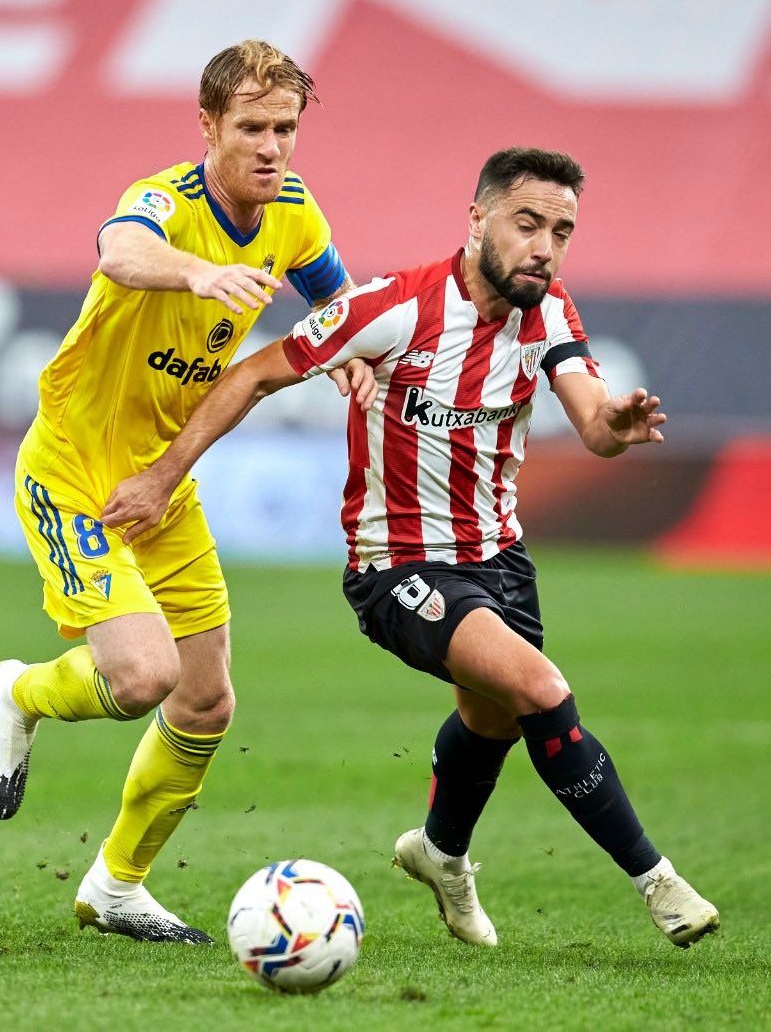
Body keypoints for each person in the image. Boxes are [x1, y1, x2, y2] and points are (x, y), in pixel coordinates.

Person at [104, 147, 720, 949]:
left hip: (500, 561)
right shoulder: (392, 307)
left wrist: (617, 426)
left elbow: (595, 423)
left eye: (562, 231)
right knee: (540, 687)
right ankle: (658, 882)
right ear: (478, 219)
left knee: (493, 718)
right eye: (527, 222)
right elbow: (256, 373)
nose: (544, 246)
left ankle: (440, 853)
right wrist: (160, 477)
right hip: (396, 567)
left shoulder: (551, 315)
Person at [0, 40, 372, 943]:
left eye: (287, 129)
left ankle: (115, 886)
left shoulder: (294, 214)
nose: (273, 148)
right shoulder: (164, 202)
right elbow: (120, 252)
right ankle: (19, 693)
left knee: (205, 700)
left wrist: (350, 357)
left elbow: (335, 298)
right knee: (143, 674)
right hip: (75, 472)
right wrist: (199, 272)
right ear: (208, 127)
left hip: (165, 478)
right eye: (252, 128)